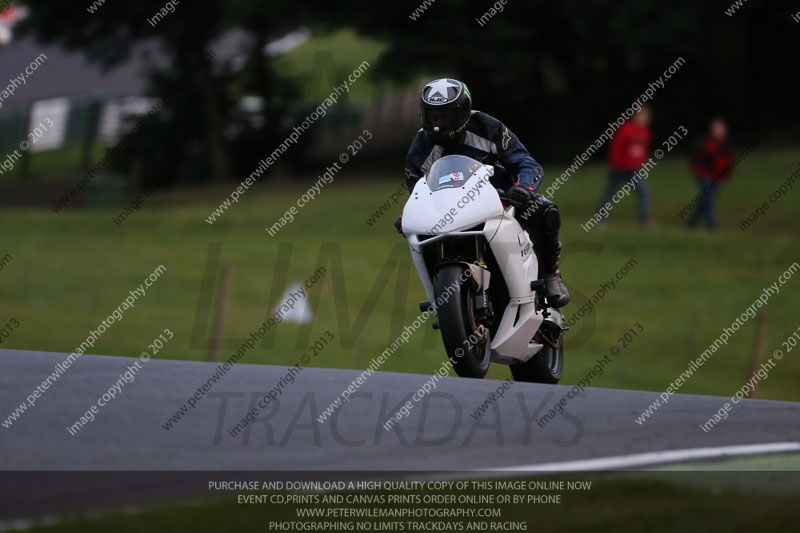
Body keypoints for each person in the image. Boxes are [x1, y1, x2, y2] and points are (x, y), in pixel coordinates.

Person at [401, 78, 569, 307]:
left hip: (501, 202)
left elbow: (527, 164)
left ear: (462, 113)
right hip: (449, 215)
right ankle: (442, 296)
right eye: (433, 116)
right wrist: (411, 216)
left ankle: (551, 274)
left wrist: (524, 188)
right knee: (417, 236)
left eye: (446, 115)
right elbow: (417, 192)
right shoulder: (420, 148)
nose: (438, 123)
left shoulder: (488, 128)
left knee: (545, 209)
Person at [597, 105, 652, 227]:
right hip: (619, 169)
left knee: (643, 192)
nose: (646, 119)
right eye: (643, 116)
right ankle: (599, 218)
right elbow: (616, 149)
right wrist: (616, 164)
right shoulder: (626, 130)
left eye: (647, 116)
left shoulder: (645, 132)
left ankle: (644, 220)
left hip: (635, 170)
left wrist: (643, 164)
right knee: (610, 193)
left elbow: (642, 151)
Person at [686, 119, 734, 230]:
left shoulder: (727, 145)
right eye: (716, 129)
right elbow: (696, 161)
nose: (718, 132)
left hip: (717, 177)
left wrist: (724, 177)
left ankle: (690, 224)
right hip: (704, 176)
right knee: (709, 200)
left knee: (705, 201)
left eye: (721, 129)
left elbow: (728, 163)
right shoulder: (705, 144)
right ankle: (712, 227)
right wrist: (700, 173)